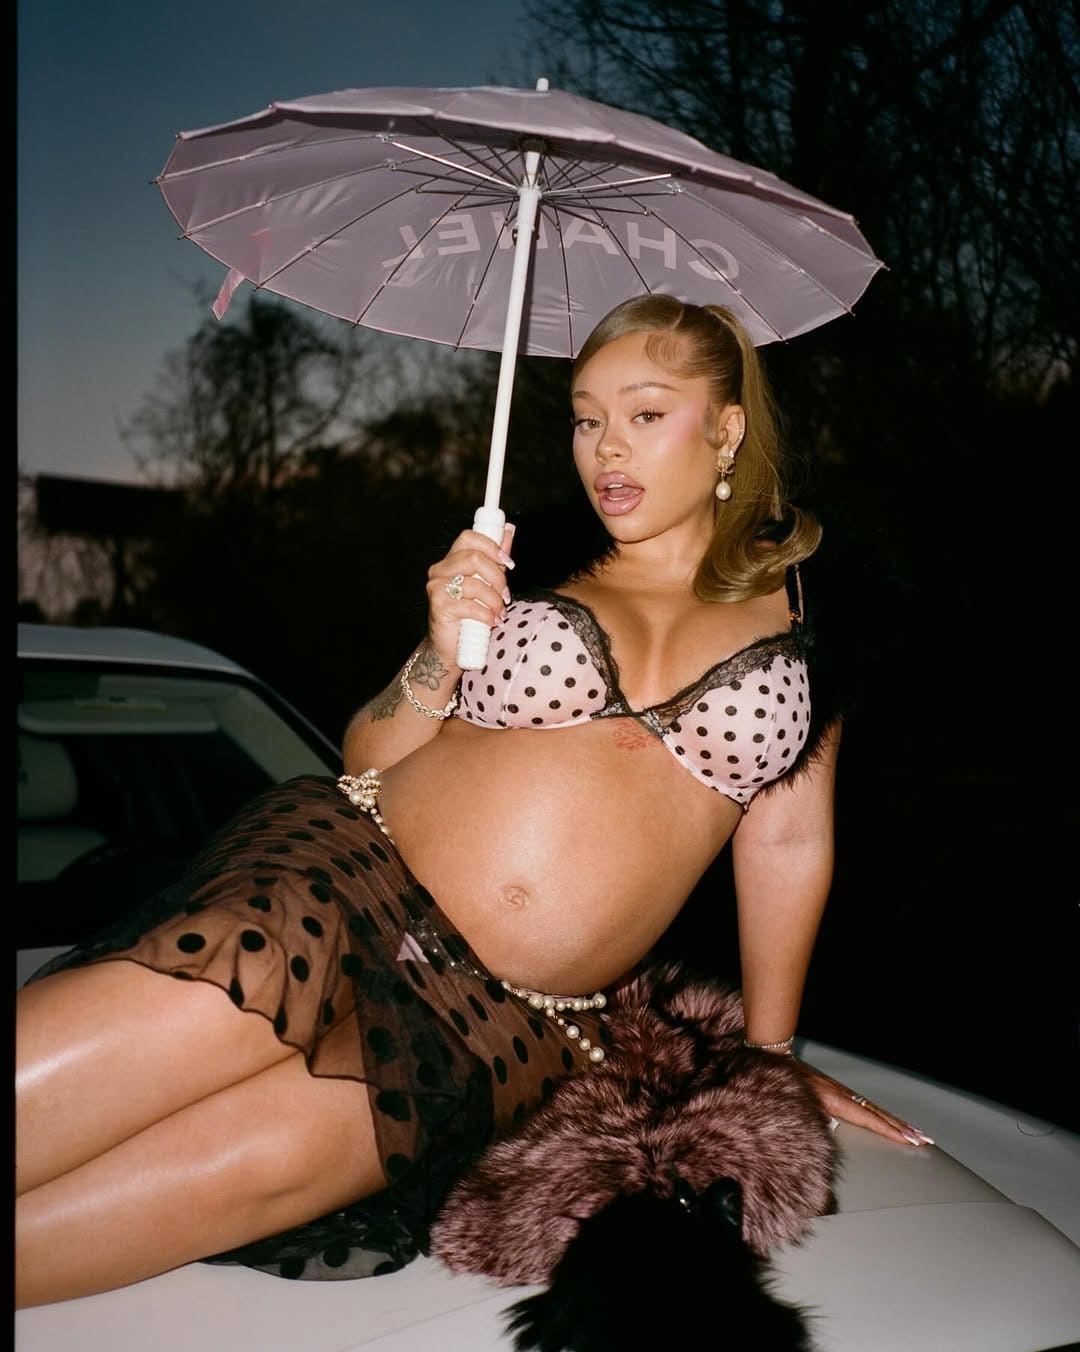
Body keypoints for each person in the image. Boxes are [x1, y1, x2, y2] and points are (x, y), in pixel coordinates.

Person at [15, 295, 933, 1310]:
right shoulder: (522, 559)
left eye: (644, 412)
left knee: (244, 1173)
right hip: (344, 891)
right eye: (585, 418)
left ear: (726, 427)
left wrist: (767, 1055)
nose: (605, 447)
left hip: (507, 1021)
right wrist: (438, 648)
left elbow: (789, 841)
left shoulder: (815, 612)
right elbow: (370, 752)